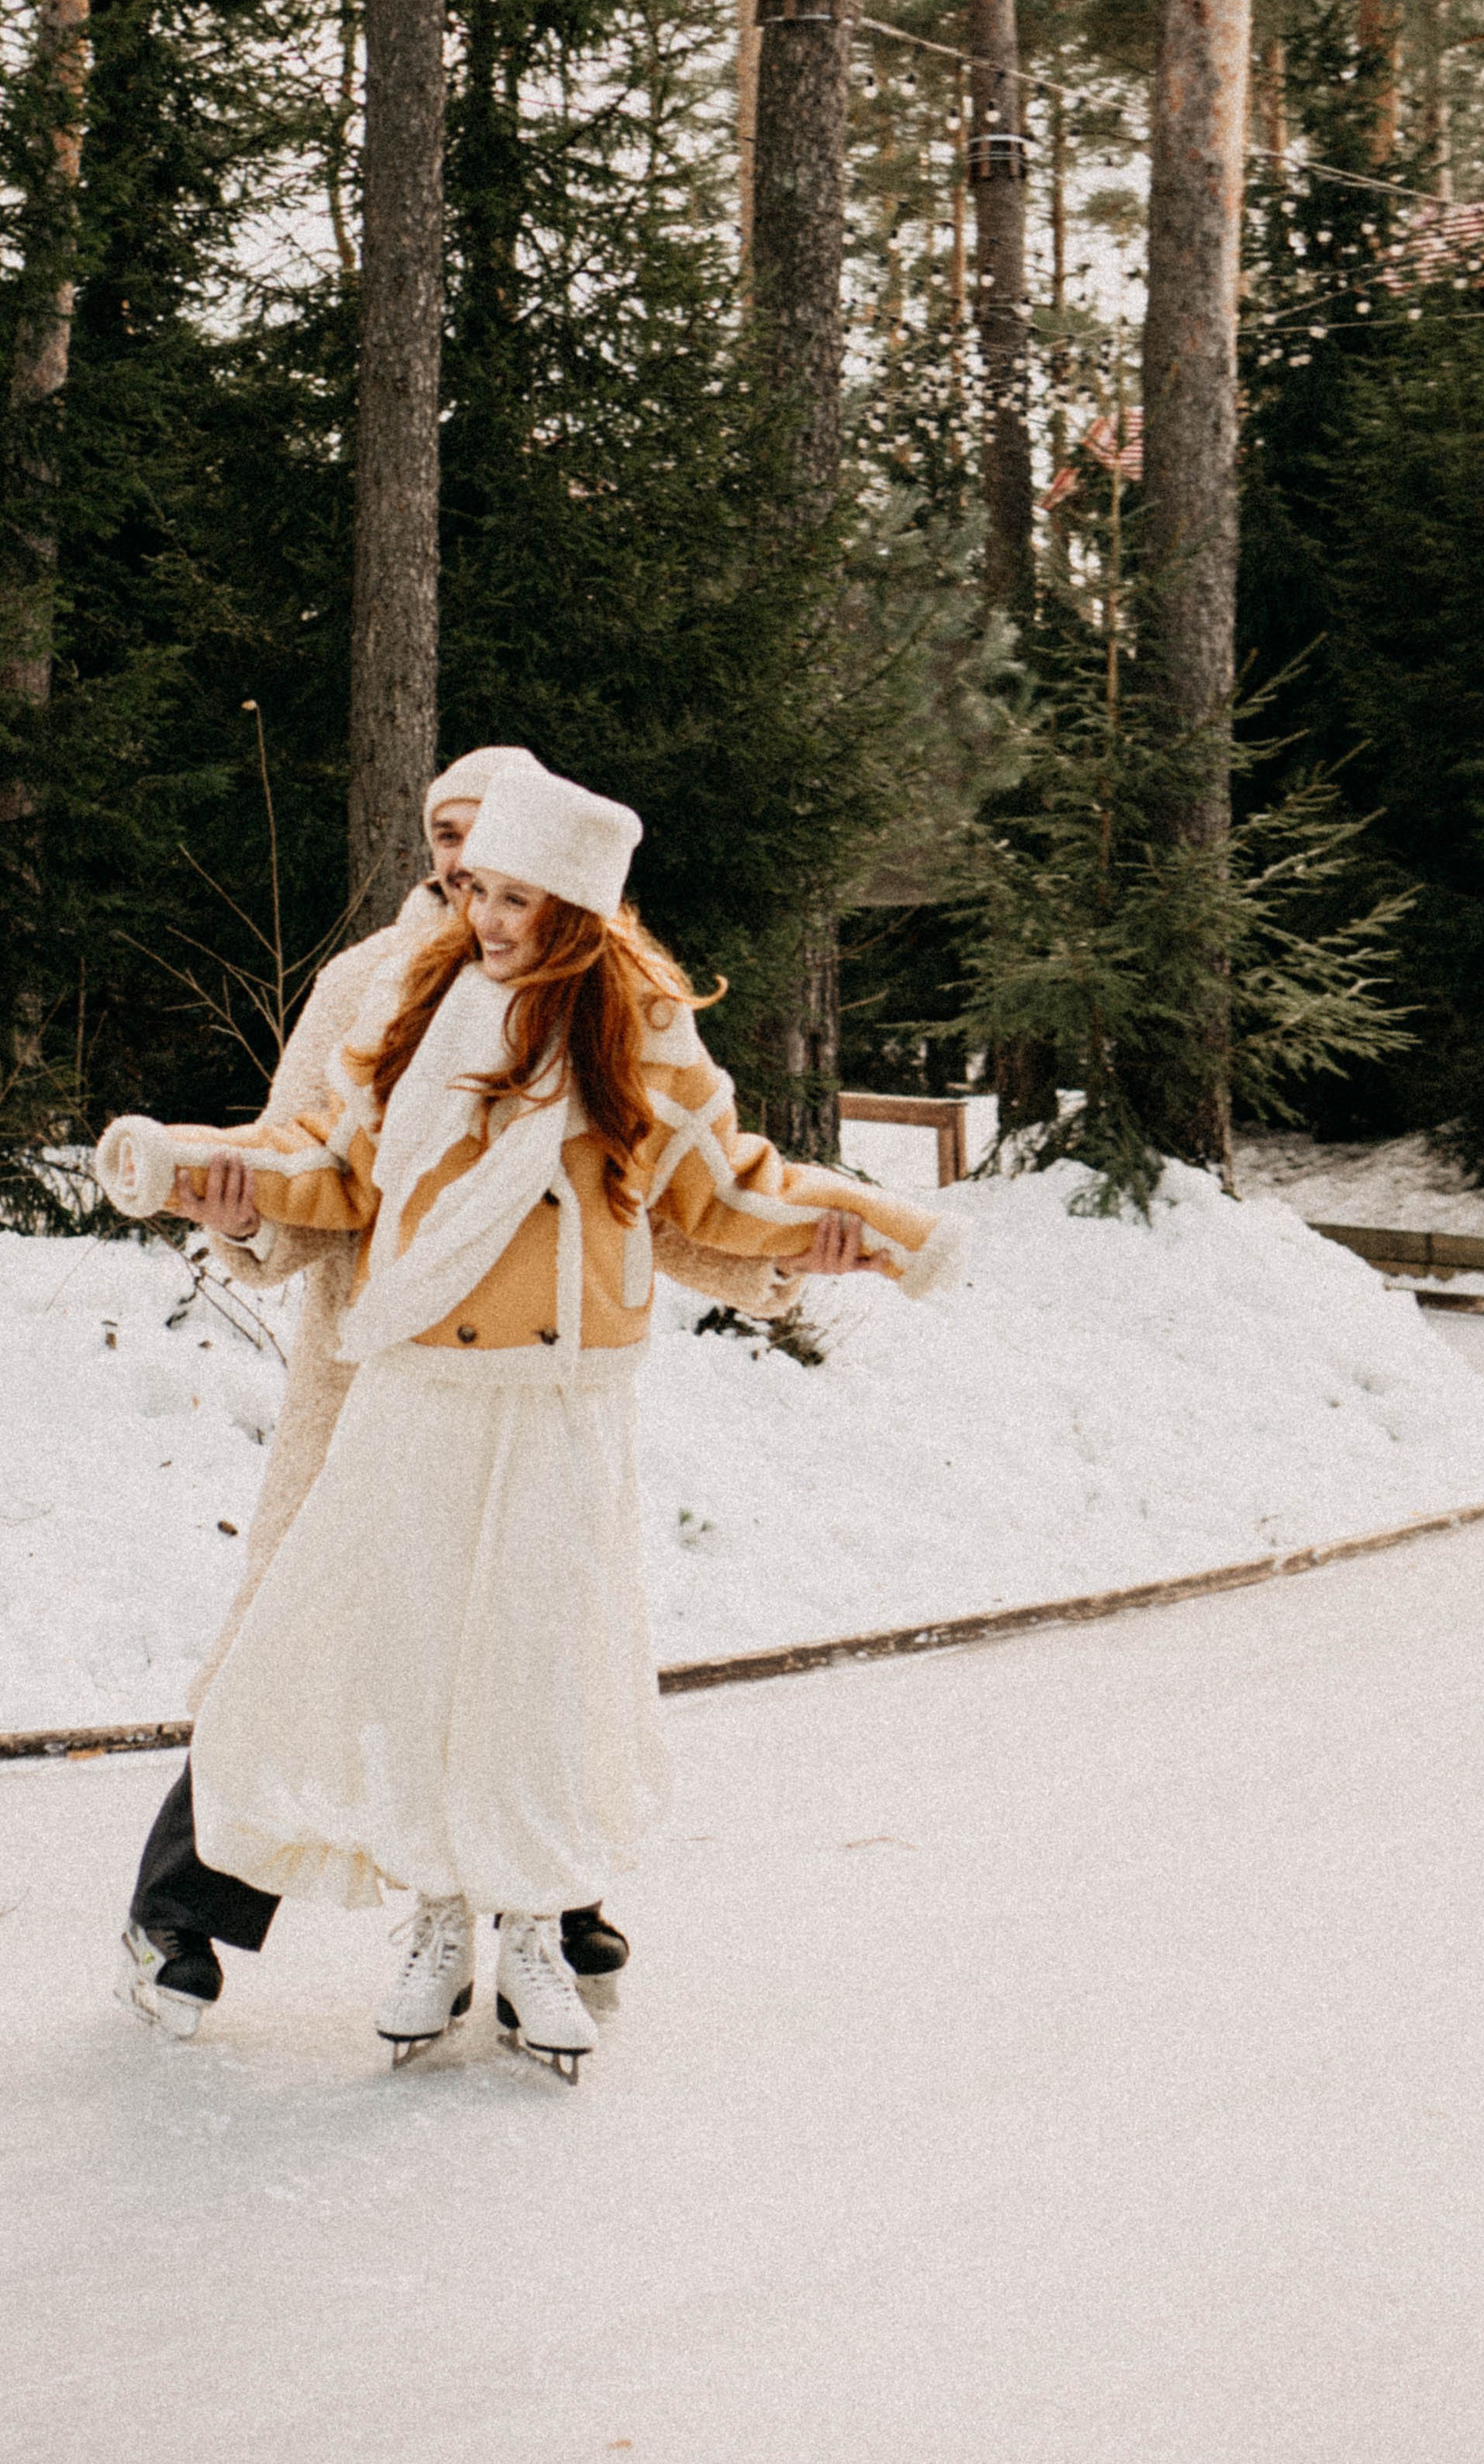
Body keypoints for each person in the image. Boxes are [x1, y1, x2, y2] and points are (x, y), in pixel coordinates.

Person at [98, 763, 959, 2081]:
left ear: (571, 892)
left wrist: (851, 1241)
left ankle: (542, 1918)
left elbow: (696, 1190)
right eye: (456, 856)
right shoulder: (385, 988)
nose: (470, 891)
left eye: (500, 874)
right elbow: (313, 1160)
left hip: (558, 1392)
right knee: (336, 1647)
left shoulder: (634, 1015)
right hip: (390, 1368)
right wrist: (218, 1193)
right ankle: (216, 1920)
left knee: (538, 1656)